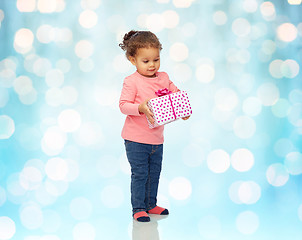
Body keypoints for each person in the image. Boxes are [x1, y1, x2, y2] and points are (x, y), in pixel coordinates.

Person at [119, 30, 190, 222]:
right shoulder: (131, 81)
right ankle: (138, 208)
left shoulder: (164, 77)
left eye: (156, 59)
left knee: (154, 173)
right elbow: (123, 105)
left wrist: (183, 109)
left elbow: (176, 94)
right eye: (146, 61)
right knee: (140, 174)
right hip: (135, 140)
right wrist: (140, 107)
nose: (152, 65)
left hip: (157, 139)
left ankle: (151, 203)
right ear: (133, 60)